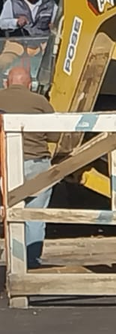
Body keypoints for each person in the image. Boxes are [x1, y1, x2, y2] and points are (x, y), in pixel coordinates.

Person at [0, 66, 55, 267]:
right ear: (29, 84)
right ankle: (31, 260)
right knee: (35, 212)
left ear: (6, 82)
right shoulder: (40, 102)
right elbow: (55, 135)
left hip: (3, 164)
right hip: (36, 163)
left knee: (6, 210)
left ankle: (9, 258)